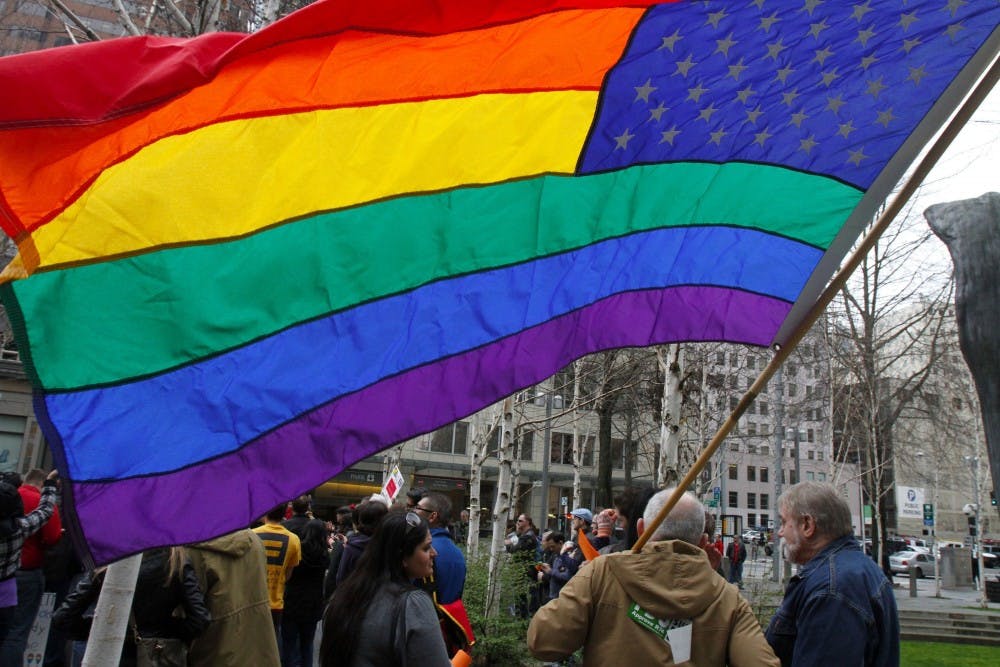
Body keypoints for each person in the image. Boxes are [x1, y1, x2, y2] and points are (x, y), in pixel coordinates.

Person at [528, 488, 779, 666]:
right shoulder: (728, 598)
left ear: (640, 530)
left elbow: (543, 641)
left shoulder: (601, 573)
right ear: (703, 542)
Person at [765, 482, 899, 667]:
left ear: (807, 525)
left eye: (784, 522)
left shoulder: (831, 590)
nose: (780, 532)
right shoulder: (858, 569)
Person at [319, 510, 450, 666]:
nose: (434, 553)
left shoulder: (343, 595)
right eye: (426, 548)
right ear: (402, 556)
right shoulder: (414, 604)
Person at [53, 546, 210, 665]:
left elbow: (63, 617)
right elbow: (200, 619)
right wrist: (163, 629)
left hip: (111, 655)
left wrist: (103, 629)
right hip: (158, 654)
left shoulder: (108, 563)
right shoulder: (176, 560)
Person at [186, 529, 280, 666]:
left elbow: (188, 611)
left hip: (216, 650)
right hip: (260, 647)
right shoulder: (254, 541)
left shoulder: (191, 551)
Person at [0, 468, 62, 663]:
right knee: (12, 636)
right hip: (7, 593)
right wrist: (50, 484)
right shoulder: (19, 529)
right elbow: (44, 512)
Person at [282, 519, 329, 667]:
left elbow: (288, 575)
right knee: (307, 644)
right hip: (313, 603)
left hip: (292, 600)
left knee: (289, 644)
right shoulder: (325, 555)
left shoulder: (298, 549)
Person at [253, 503, 302, 643]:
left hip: (252, 601)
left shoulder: (252, 535)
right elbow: (288, 576)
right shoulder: (293, 539)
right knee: (271, 644)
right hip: (275, 603)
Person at [336, 498, 388, 584]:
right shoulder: (390, 545)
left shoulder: (352, 547)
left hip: (354, 594)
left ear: (361, 519)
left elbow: (341, 578)